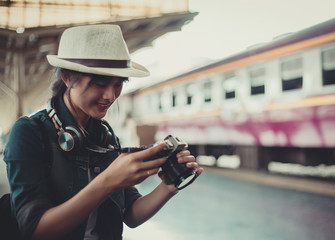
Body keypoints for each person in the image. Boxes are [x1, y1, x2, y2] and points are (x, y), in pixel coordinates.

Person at [3, 24, 203, 240]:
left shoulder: (105, 138)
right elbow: (35, 231)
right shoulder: (29, 132)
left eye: (119, 84)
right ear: (68, 77)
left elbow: (131, 215)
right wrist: (109, 180)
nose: (110, 95)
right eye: (99, 83)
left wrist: (169, 186)